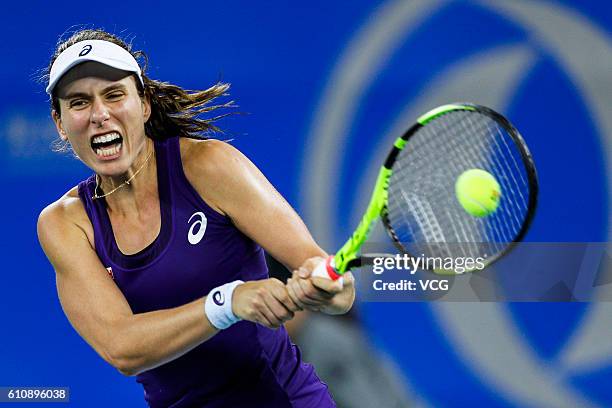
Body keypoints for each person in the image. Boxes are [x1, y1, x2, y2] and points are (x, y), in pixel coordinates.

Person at [36, 29, 355, 408]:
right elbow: (122, 347)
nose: (100, 114)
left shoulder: (209, 167)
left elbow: (331, 280)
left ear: (145, 104)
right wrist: (229, 301)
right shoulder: (65, 224)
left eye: (114, 94)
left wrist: (325, 286)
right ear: (60, 123)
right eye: (79, 102)